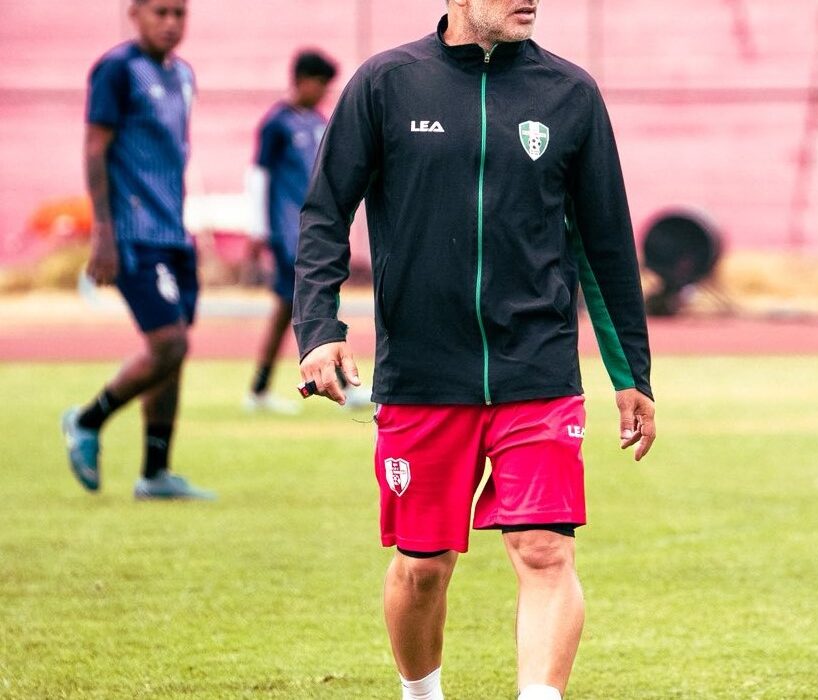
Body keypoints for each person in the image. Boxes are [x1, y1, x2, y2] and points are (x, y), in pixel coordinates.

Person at [293, 0, 656, 697]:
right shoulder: (385, 84)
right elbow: (324, 215)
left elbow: (605, 242)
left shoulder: (570, 94)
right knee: (422, 568)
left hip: (539, 370)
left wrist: (630, 373)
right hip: (423, 375)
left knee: (544, 551)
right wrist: (319, 329)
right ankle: (420, 692)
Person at [61, 0, 214, 501]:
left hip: (174, 233)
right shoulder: (117, 69)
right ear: (135, 13)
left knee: (173, 355)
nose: (170, 23)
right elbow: (94, 148)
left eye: (179, 13)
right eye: (159, 12)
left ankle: (155, 474)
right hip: (133, 234)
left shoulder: (183, 74)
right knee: (170, 343)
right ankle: (87, 420)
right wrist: (103, 232)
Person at [242, 50, 371, 413]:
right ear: (301, 81)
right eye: (320, 84)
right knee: (317, 300)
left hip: (313, 232)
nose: (324, 92)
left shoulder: (317, 121)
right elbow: (258, 177)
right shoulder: (277, 124)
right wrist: (258, 230)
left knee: (289, 309)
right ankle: (342, 382)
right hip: (289, 235)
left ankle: (260, 389)